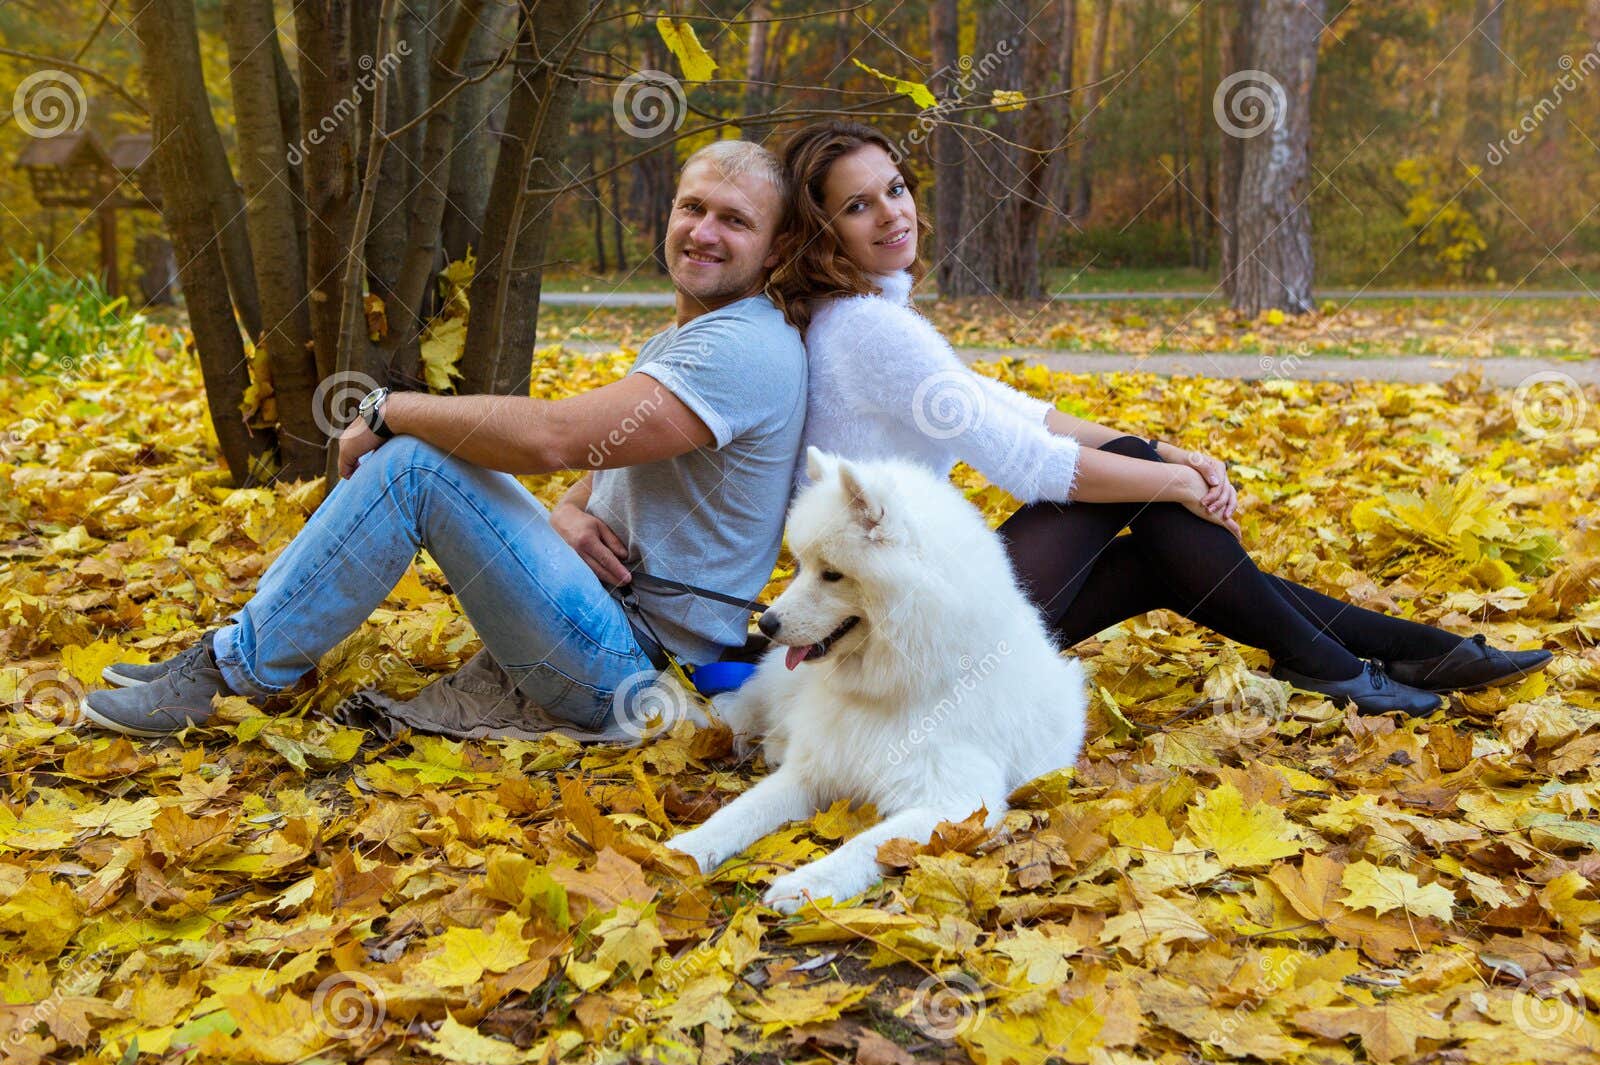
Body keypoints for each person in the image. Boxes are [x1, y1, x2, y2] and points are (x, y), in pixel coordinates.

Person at [764, 119, 1551, 716]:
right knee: (1140, 486)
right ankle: (1375, 660)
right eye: (857, 206)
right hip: (912, 642)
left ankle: (1401, 654)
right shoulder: (869, 329)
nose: (891, 213)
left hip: (910, 628)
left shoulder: (861, 317)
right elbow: (1027, 464)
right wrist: (1171, 477)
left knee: (1155, 557)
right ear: (822, 229)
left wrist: (1170, 453)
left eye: (895, 188)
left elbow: (1009, 407)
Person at [82, 140, 807, 737]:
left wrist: (392, 406)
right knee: (419, 459)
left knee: (414, 465)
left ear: (775, 250)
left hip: (633, 668)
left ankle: (225, 673)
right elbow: (607, 455)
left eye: (735, 221)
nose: (704, 231)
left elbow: (556, 436)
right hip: (603, 619)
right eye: (693, 207)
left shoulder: (742, 349)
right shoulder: (693, 335)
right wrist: (568, 511)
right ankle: (234, 654)